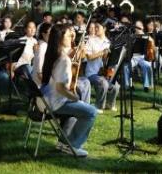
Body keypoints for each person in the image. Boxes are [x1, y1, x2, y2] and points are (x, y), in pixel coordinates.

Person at [41, 24, 98, 157]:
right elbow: (60, 88)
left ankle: (64, 142)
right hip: (57, 103)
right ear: (60, 38)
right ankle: (73, 145)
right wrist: (75, 98)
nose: (72, 38)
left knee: (82, 108)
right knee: (91, 112)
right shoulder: (63, 59)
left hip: (47, 100)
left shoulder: (52, 54)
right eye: (68, 35)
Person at [84, 21, 119, 111]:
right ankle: (98, 106)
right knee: (103, 83)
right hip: (92, 73)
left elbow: (109, 60)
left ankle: (110, 104)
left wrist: (107, 58)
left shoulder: (109, 42)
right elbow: (89, 57)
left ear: (104, 29)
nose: (95, 29)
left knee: (116, 85)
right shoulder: (91, 40)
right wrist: (102, 52)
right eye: (95, 27)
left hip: (104, 72)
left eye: (97, 27)